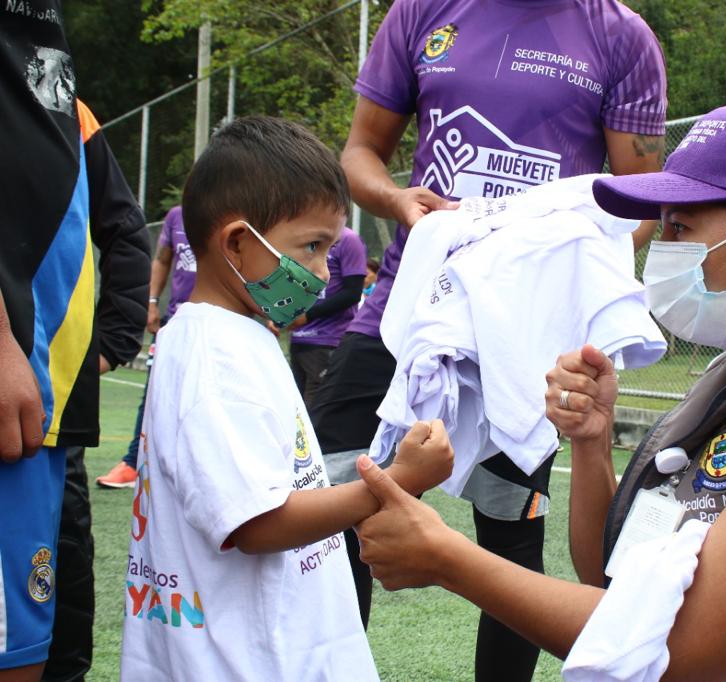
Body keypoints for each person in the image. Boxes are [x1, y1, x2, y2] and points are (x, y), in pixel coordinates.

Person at [352, 104, 726, 681]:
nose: (660, 248)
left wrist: (448, 558)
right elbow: (613, 578)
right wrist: (592, 441)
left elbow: (679, 654)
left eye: (681, 226)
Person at [312, 2, 667, 676]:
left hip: (523, 333)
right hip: (408, 304)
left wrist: (537, 264)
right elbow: (360, 151)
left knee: (510, 541)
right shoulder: (422, 11)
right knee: (329, 507)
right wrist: (396, 200)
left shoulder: (621, 35)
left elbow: (639, 201)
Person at [118, 116, 453, 680]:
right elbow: (257, 523)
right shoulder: (215, 358)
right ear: (237, 244)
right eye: (312, 247)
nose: (322, 274)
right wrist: (395, 482)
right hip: (243, 662)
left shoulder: (233, 335)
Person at [1, 9, 150, 680]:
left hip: (58, 412)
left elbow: (125, 228)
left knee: (63, 624)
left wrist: (111, 340)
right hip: (18, 398)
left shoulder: (72, 114)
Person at [96, 206, 195, 489]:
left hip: (220, 323)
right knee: (154, 391)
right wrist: (151, 303)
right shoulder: (176, 216)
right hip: (174, 322)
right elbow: (162, 260)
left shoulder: (240, 208)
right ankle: (133, 463)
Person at [283, 225, 367, 407]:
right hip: (298, 339)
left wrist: (307, 316)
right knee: (297, 410)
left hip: (328, 340)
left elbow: (352, 293)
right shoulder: (302, 236)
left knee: (317, 410)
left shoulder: (348, 239)